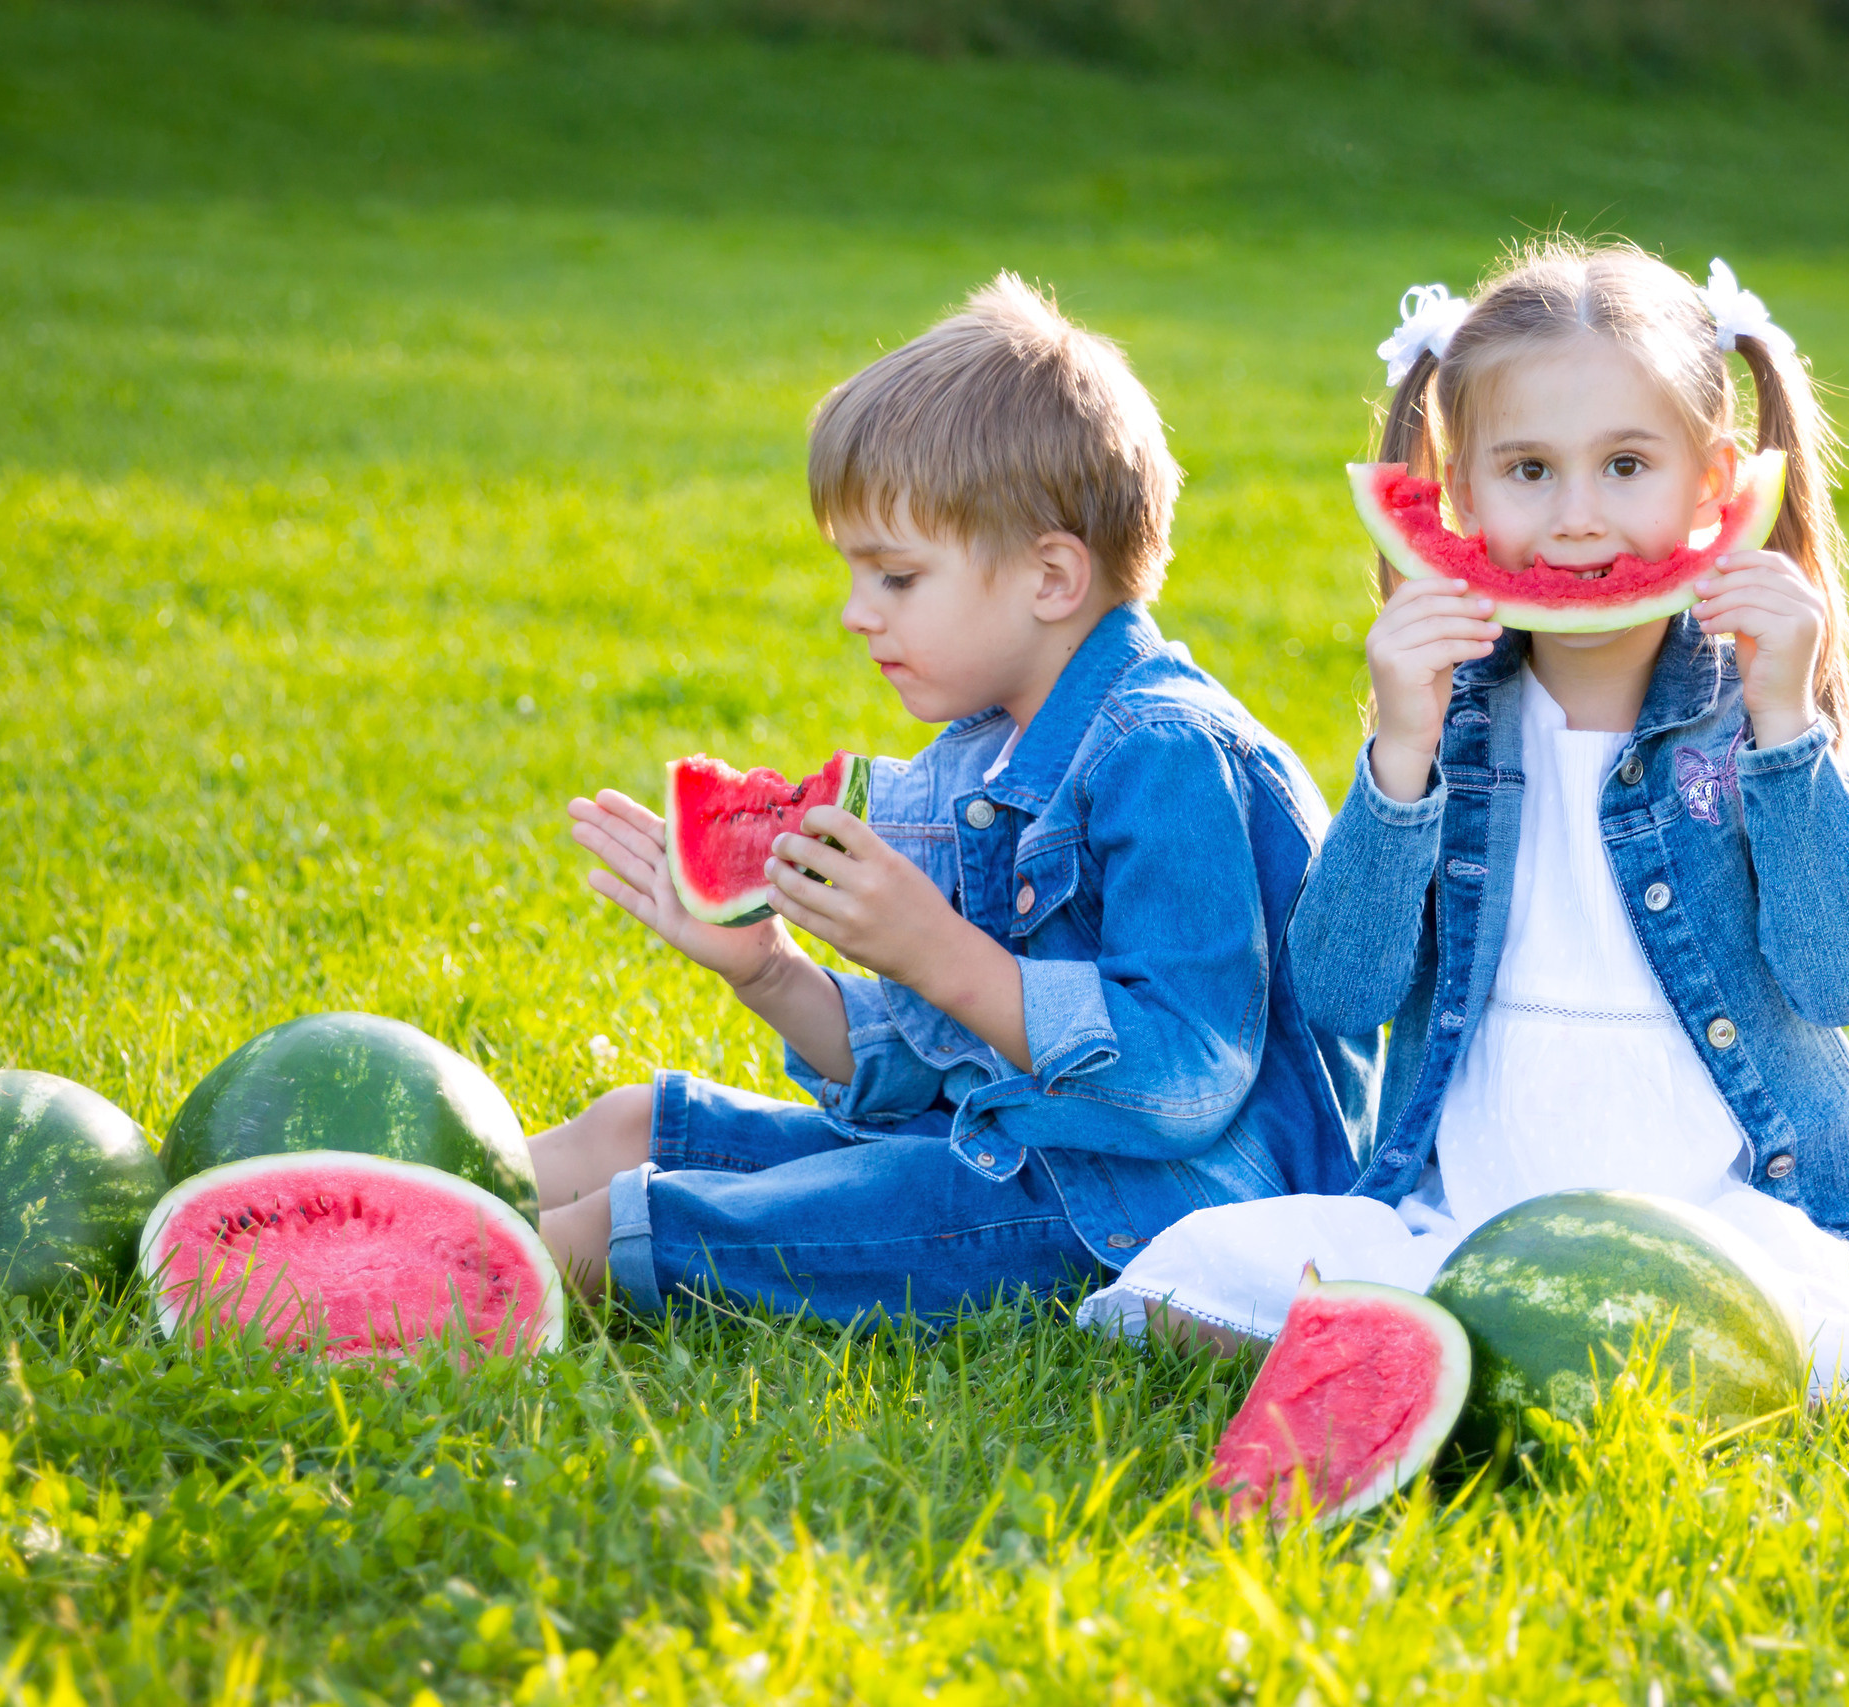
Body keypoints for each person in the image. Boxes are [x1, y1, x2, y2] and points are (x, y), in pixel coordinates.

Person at [1081, 241, 1849, 1412]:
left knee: (1807, 1325)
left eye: (1624, 466)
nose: (1576, 521)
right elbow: (1345, 990)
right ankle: (1561, 1350)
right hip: (1467, 1226)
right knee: (1196, 1266)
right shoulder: (1443, 718)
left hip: (1726, 1221)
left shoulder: (1744, 711)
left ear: (1714, 484)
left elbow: (1840, 978)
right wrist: (1397, 756)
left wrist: (1783, 730)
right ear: (1455, 496)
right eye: (1527, 471)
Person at [532, 274, 1372, 1321]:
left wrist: (934, 948)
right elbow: (944, 1058)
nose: (853, 614)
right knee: (625, 1129)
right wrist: (768, 973)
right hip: (1026, 1149)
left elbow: (1181, 1079)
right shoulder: (987, 751)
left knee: (633, 1226)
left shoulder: (1169, 758)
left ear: (1052, 579)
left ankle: (393, 1287)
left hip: (1164, 1212)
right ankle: (364, 1196)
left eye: (895, 577)